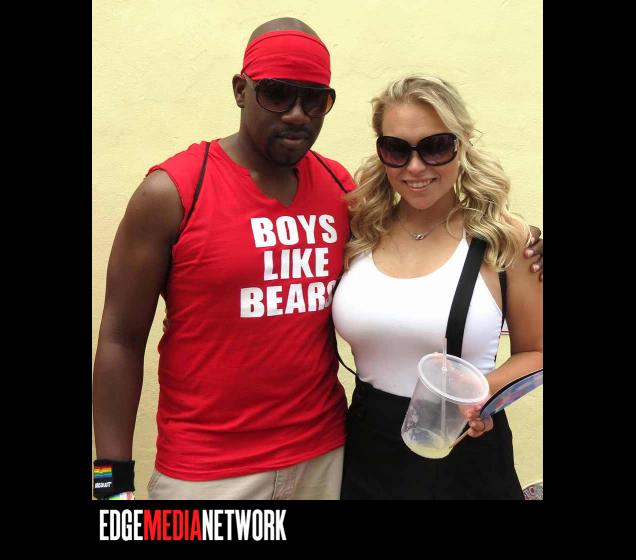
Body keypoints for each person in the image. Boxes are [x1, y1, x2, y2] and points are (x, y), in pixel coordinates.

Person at [92, 18, 544, 500]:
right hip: (210, 473)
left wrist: (523, 241)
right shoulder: (174, 191)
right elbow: (120, 338)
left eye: (314, 99)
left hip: (328, 459)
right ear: (241, 90)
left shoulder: (340, 195)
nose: (296, 114)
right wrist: (109, 489)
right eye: (277, 94)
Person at [332, 75, 543, 499]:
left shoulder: (502, 239)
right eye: (397, 149)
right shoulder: (359, 231)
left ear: (461, 145)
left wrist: (483, 394)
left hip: (464, 453)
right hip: (368, 451)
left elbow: (536, 351)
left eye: (436, 147)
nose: (415, 167)